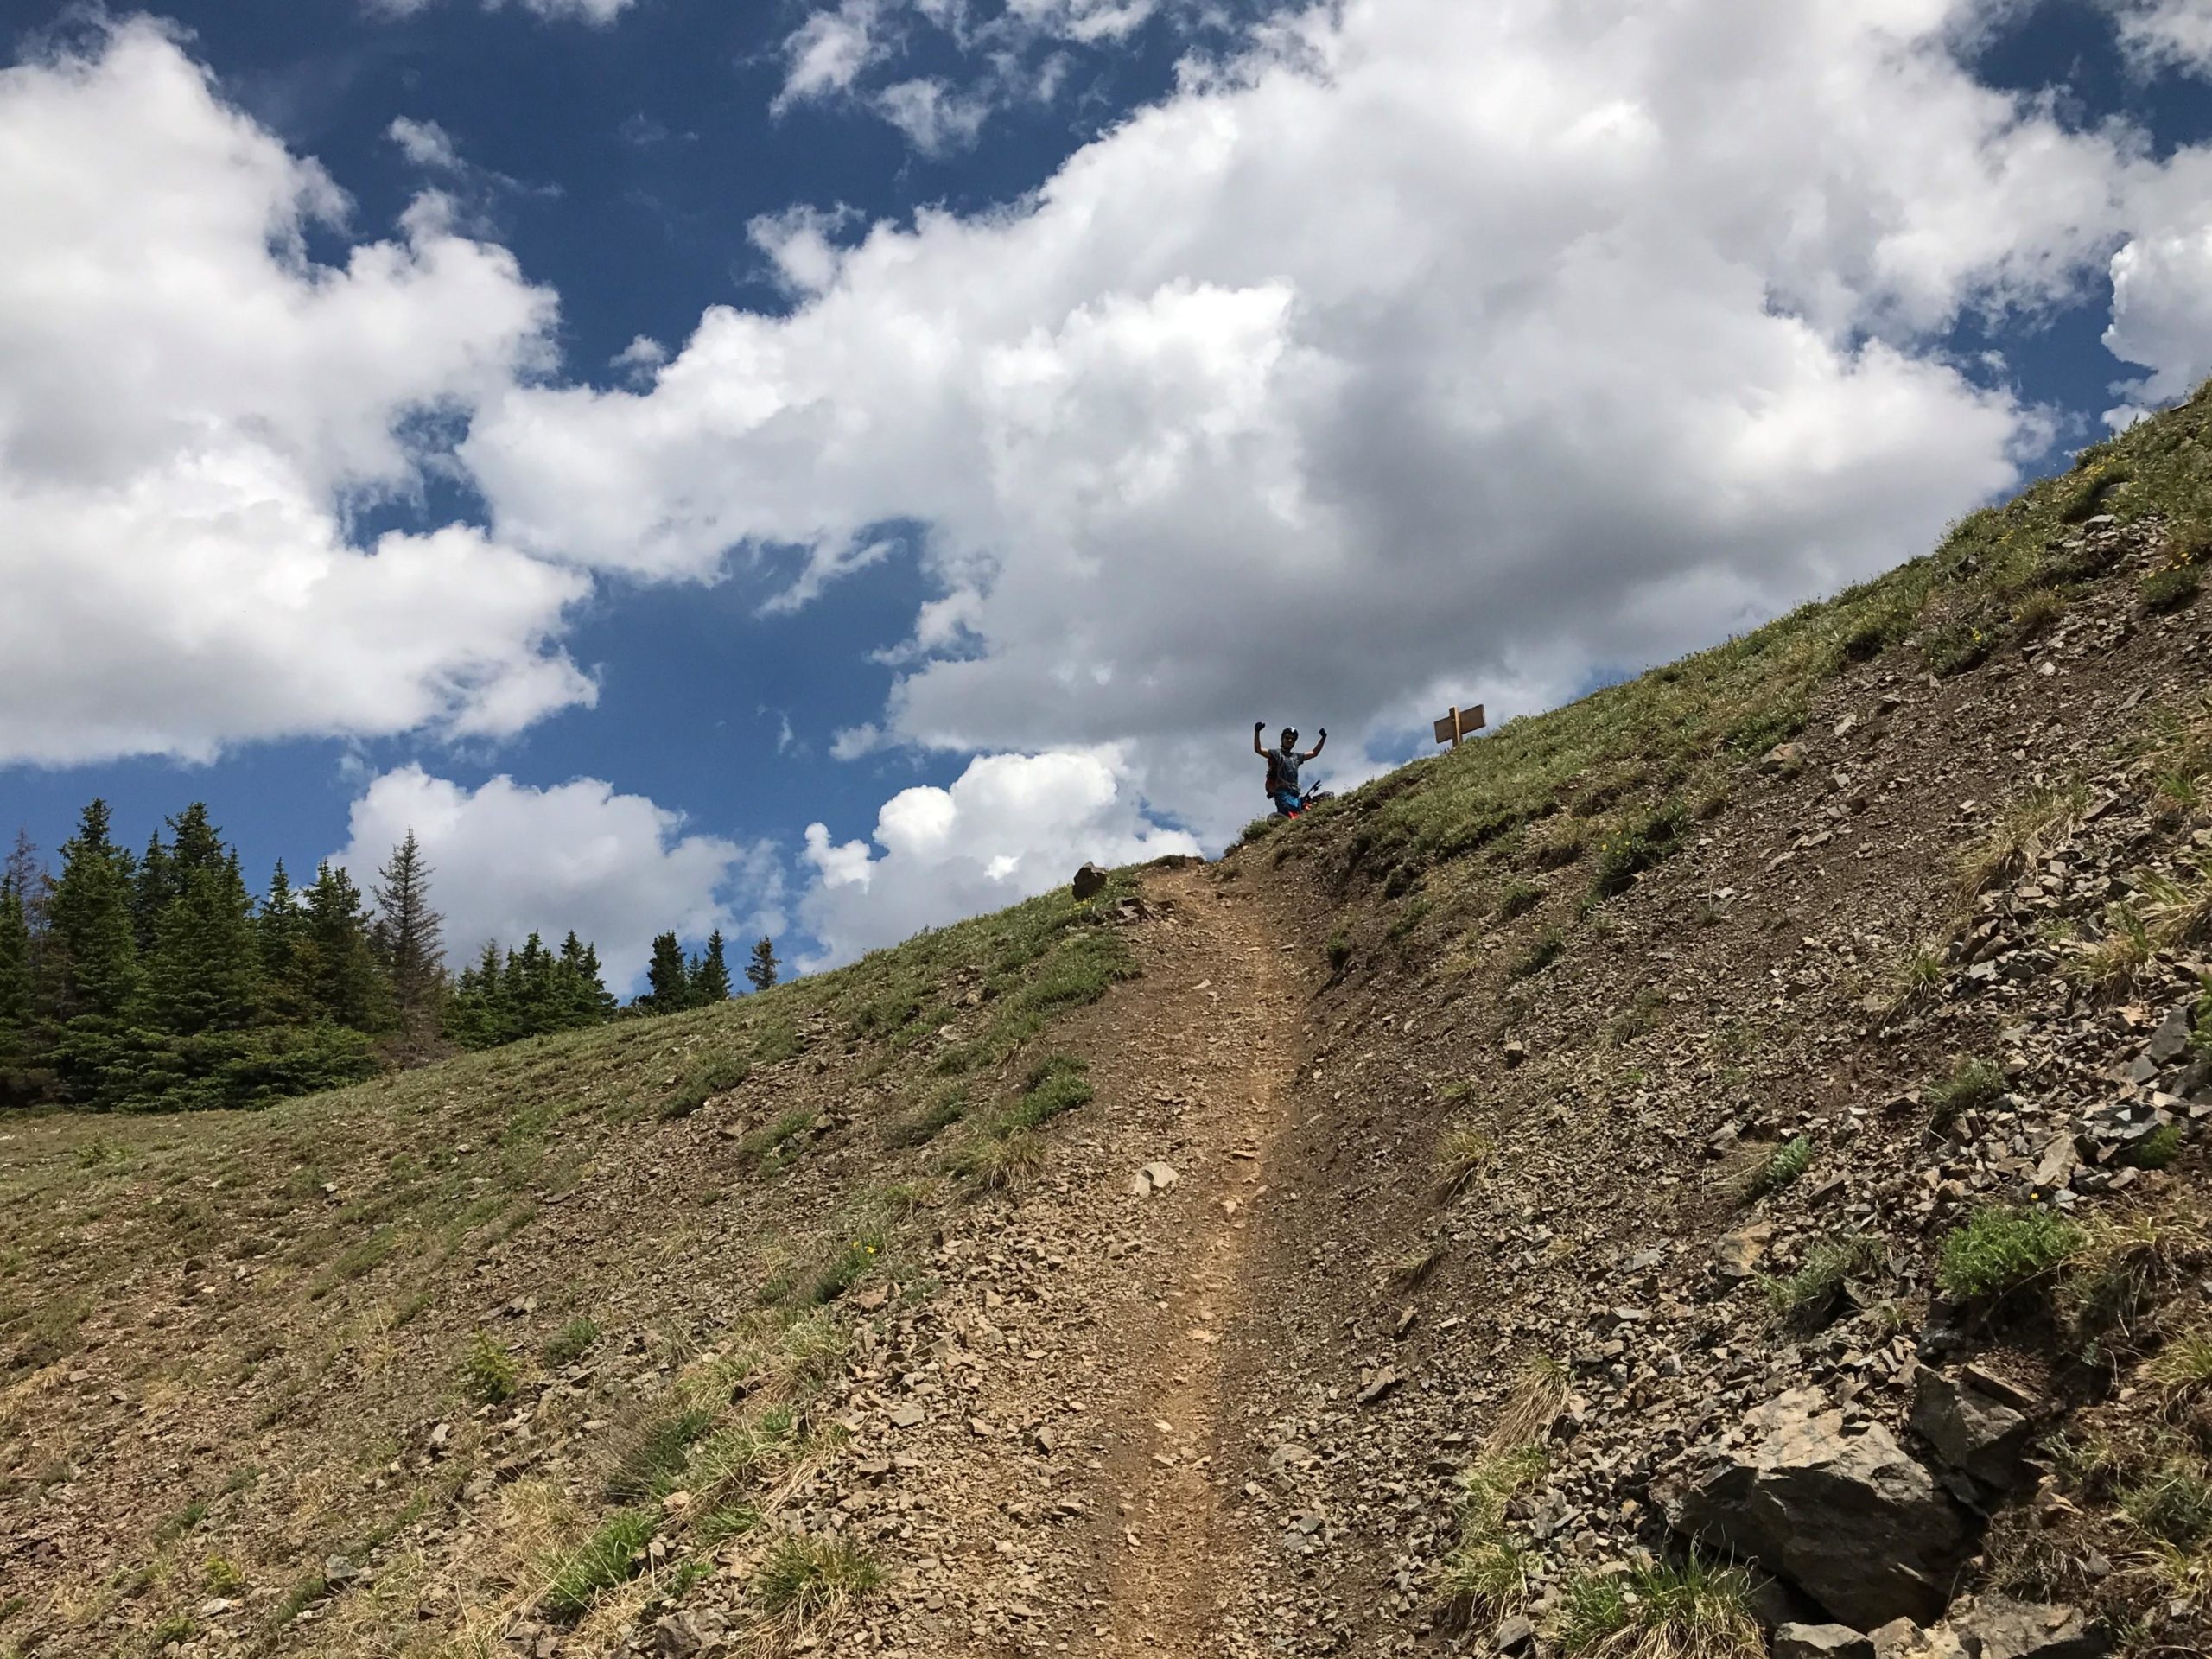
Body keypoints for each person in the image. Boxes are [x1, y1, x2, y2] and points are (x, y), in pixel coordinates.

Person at [1255, 721, 1326, 817]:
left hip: (1295, 793)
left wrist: (1323, 738)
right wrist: (1257, 732)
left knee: (1301, 809)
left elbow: (1314, 753)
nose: (1289, 740)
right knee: (1293, 810)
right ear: (1282, 739)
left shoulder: (1296, 757)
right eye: (1287, 738)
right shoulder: (1276, 754)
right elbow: (1258, 750)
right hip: (1282, 792)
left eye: (1292, 739)